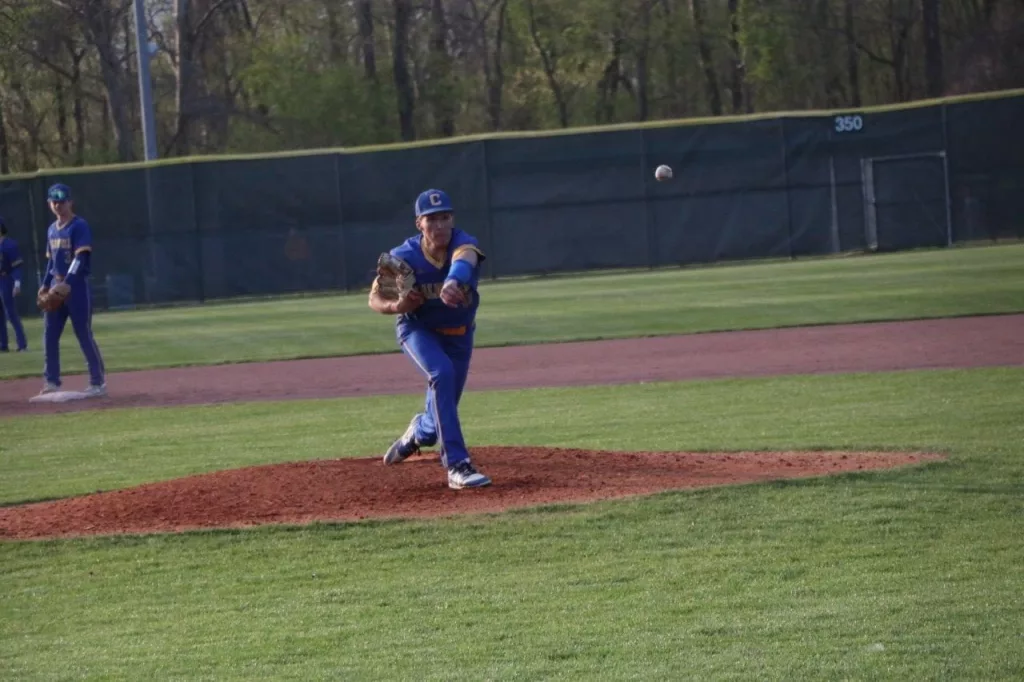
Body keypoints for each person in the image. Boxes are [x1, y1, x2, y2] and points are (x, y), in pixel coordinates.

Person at [368, 188, 491, 489]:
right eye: (431, 219)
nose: (439, 225)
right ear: (419, 224)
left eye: (445, 217)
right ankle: (457, 465)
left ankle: (418, 432)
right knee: (441, 373)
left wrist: (452, 281)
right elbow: (375, 298)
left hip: (460, 336)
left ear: (453, 220)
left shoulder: (464, 243)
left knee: (437, 417)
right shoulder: (403, 257)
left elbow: (464, 260)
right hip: (418, 331)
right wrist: (397, 306)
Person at [37, 183, 106, 396]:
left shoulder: (79, 226)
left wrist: (67, 281)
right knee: (50, 335)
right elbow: (51, 262)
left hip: (76, 288)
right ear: (49, 204)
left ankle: (97, 382)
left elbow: (80, 257)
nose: (58, 205)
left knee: (83, 333)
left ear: (70, 202)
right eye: (54, 202)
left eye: (62, 201)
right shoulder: (51, 229)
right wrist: (45, 284)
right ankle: (51, 381)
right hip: (56, 287)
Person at [0, 216, 28, 352]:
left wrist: (17, 283)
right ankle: (3, 344)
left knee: (10, 313)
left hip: (6, 279)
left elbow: (17, 266)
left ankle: (22, 344)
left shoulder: (9, 245)